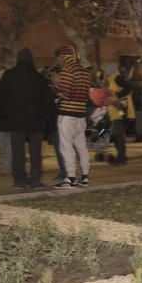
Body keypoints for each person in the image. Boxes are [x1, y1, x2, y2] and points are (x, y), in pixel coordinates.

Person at [0, 48, 51, 188]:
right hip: (36, 122)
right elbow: (47, 101)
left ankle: (19, 180)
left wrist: (6, 115)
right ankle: (35, 179)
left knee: (18, 152)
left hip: (16, 121)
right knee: (35, 153)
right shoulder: (40, 78)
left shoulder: (9, 75)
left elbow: (1, 99)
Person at [53, 45, 92, 188]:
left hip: (67, 114)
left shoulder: (67, 69)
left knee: (66, 147)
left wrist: (57, 93)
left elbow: (66, 93)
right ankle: (85, 176)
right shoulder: (85, 72)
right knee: (81, 146)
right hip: (81, 114)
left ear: (62, 56)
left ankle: (70, 178)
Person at [106, 69, 135, 164]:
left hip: (119, 111)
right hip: (115, 111)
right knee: (117, 135)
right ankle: (122, 156)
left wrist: (117, 96)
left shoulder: (117, 78)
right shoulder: (111, 80)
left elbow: (128, 87)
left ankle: (121, 158)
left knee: (118, 135)